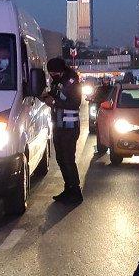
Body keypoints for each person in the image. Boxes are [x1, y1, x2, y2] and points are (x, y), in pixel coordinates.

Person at [45, 57, 83, 204]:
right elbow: (55, 95)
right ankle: (68, 188)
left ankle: (75, 191)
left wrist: (53, 102)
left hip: (69, 128)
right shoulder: (57, 82)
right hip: (59, 126)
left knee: (68, 159)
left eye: (54, 72)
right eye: (50, 73)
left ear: (61, 71)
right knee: (60, 159)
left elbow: (75, 103)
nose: (52, 75)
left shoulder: (72, 82)